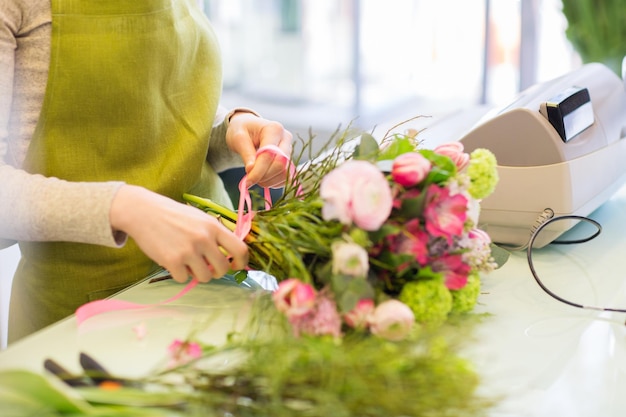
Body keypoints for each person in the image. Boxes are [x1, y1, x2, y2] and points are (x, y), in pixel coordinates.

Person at [0, 0, 293, 343]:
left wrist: (233, 128)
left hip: (217, 283)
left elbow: (161, 110)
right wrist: (122, 207)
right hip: (84, 323)